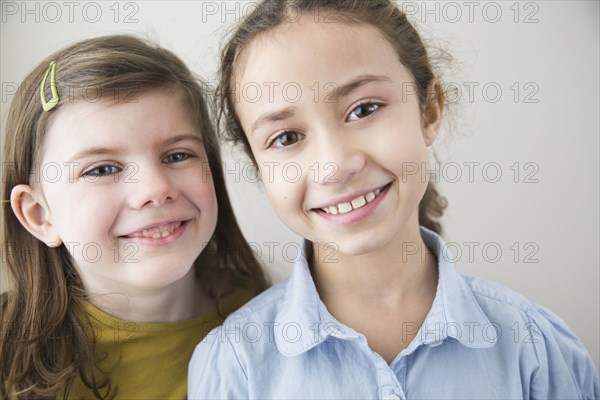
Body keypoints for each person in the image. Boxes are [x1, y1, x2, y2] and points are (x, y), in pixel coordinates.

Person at [188, 0, 599, 398]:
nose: (334, 166)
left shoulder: (538, 349)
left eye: (364, 109)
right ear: (260, 169)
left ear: (429, 110)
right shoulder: (233, 366)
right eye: (287, 138)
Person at [0, 34, 267, 399]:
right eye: (102, 169)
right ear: (40, 215)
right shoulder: (8, 358)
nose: (156, 189)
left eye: (177, 156)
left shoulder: (273, 324)